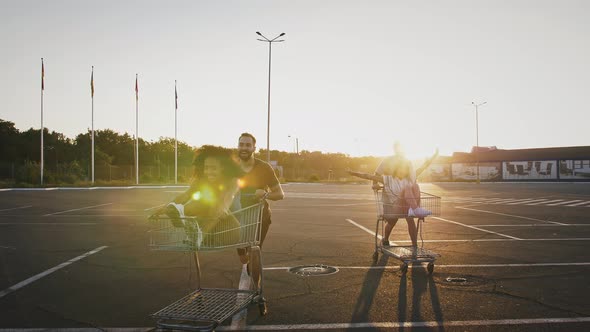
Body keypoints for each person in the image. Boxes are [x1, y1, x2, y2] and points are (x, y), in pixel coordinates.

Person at [151, 145, 244, 248]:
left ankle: (196, 232)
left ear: (223, 167)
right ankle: (183, 218)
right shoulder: (201, 180)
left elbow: (227, 199)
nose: (209, 172)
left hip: (227, 232)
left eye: (213, 168)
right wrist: (166, 208)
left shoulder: (232, 181)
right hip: (206, 234)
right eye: (206, 168)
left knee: (210, 201)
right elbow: (186, 195)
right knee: (200, 200)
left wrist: (223, 207)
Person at [236, 132, 284, 310]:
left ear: (254, 148)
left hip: (259, 218)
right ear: (238, 146)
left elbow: (280, 194)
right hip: (238, 219)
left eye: (248, 145)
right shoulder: (231, 168)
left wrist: (265, 194)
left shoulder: (264, 168)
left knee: (255, 252)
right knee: (244, 258)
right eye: (241, 144)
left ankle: (257, 293)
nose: (244, 148)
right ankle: (246, 259)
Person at [357, 143, 437, 247]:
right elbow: (376, 174)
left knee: (410, 218)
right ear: (394, 149)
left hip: (405, 200)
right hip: (391, 197)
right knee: (392, 221)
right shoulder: (387, 161)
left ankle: (414, 245)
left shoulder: (407, 163)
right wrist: (375, 185)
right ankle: (386, 239)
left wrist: (433, 157)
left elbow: (420, 169)